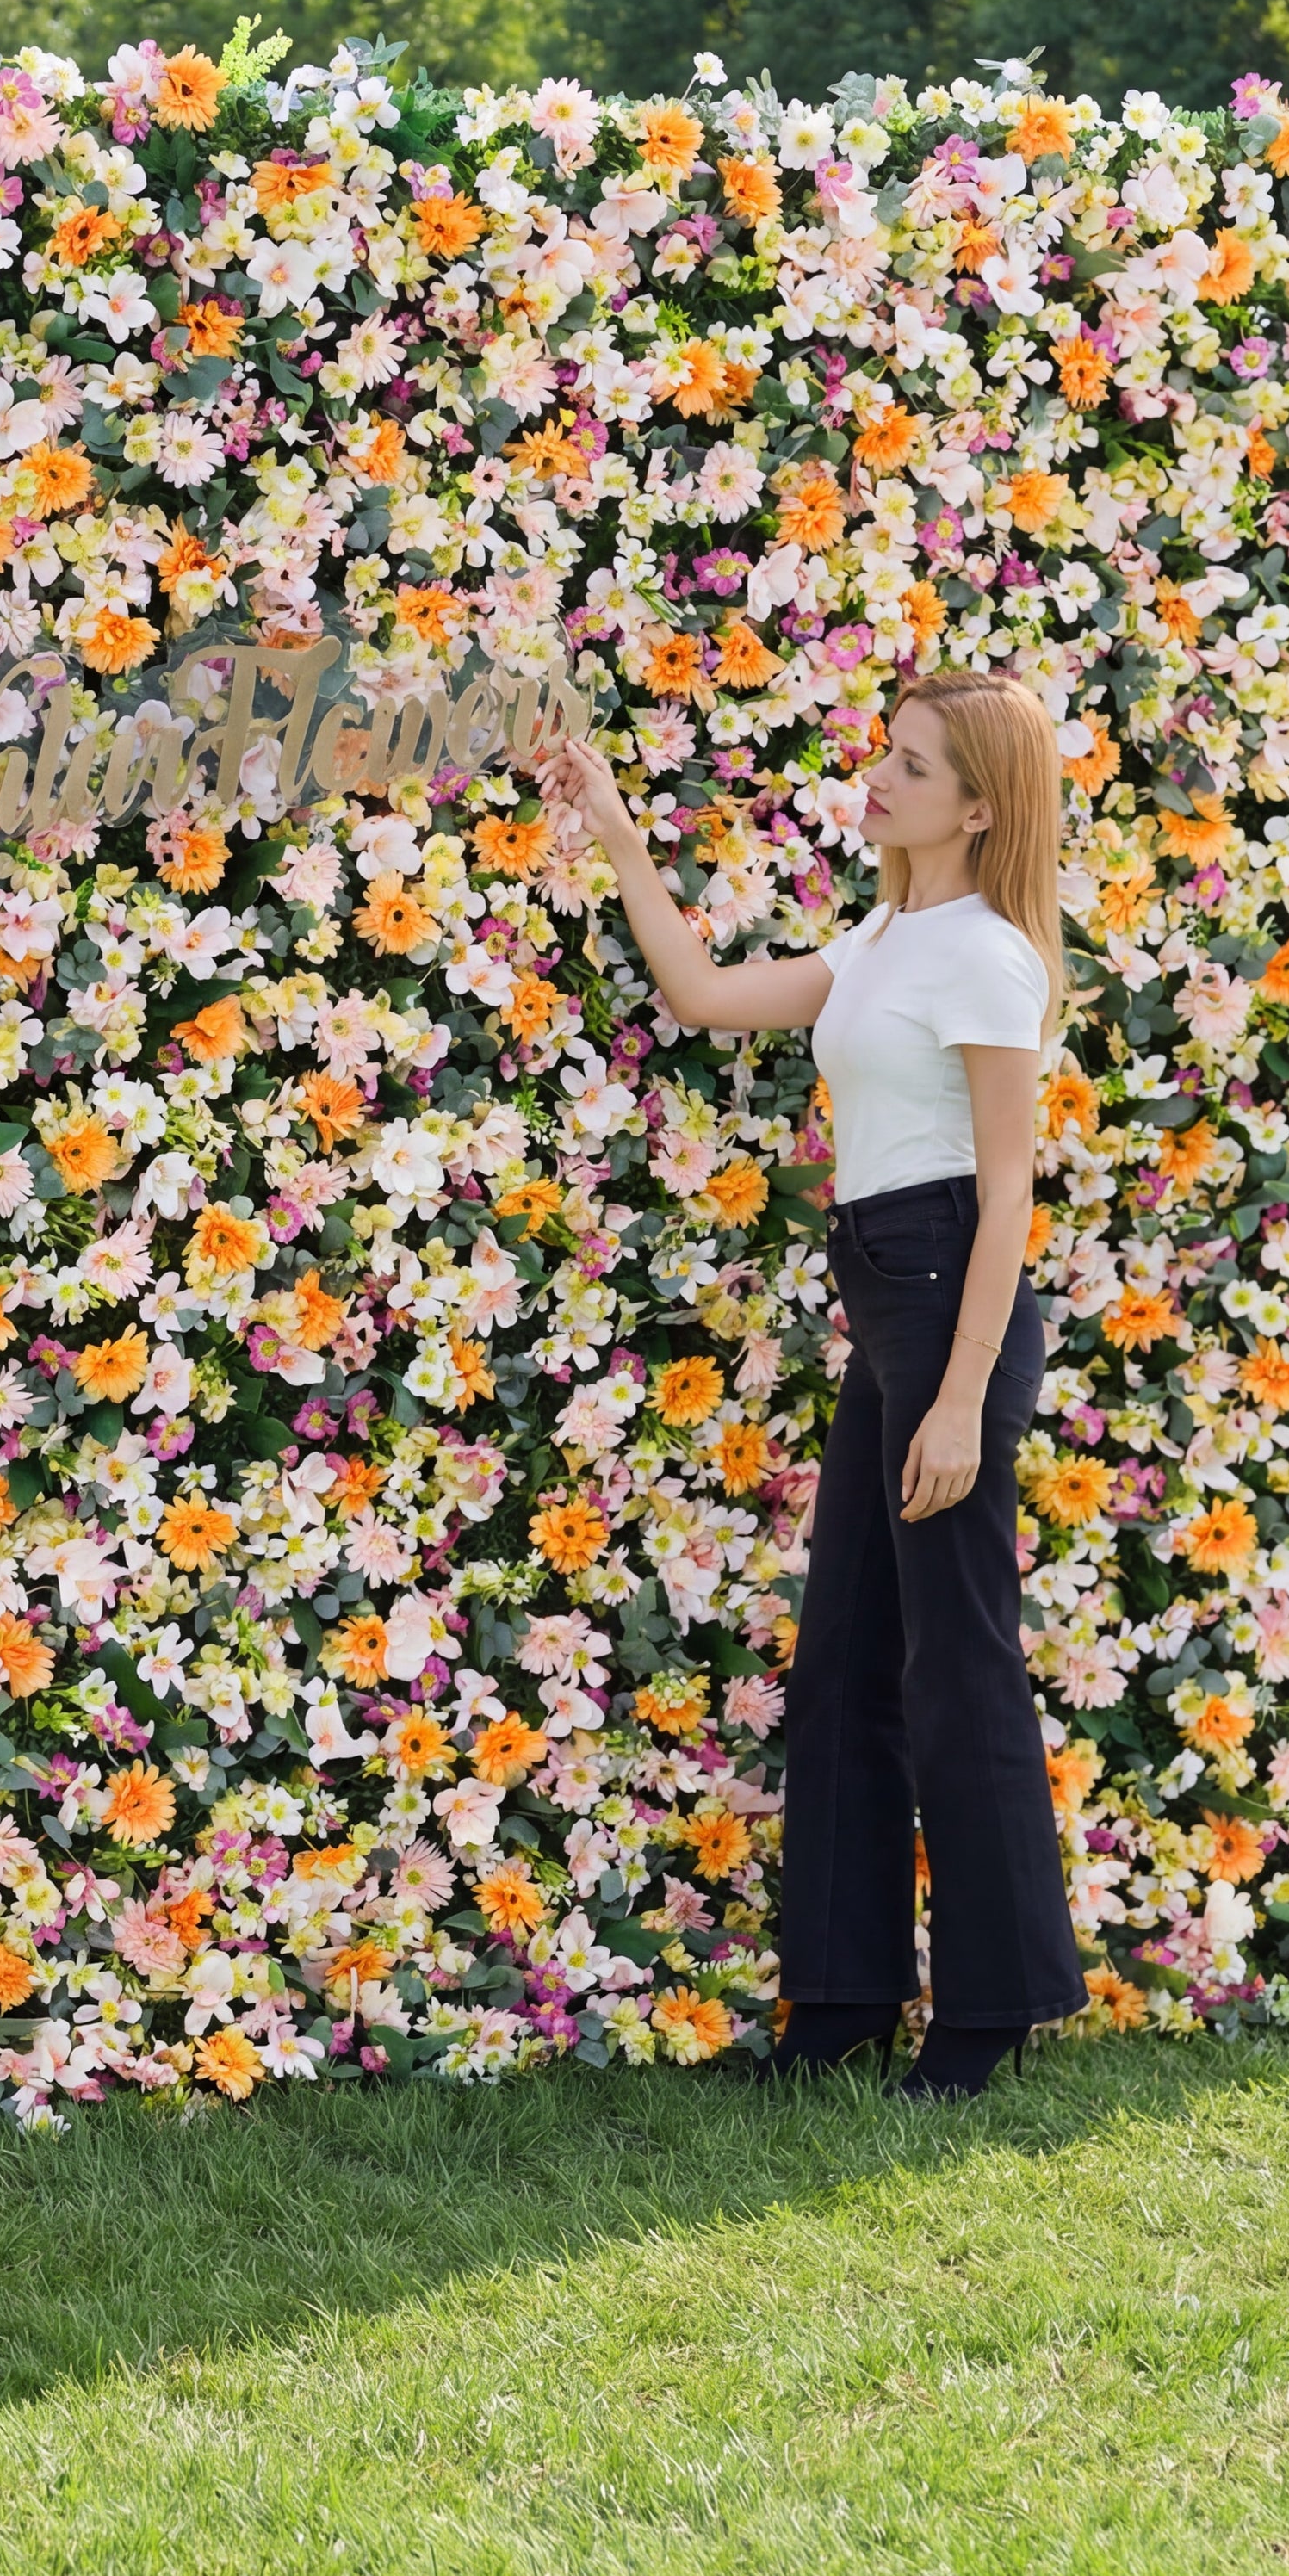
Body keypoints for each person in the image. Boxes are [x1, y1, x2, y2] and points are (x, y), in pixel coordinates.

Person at [546, 672, 1087, 2100]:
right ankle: (840, 2005)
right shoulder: (893, 933)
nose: (883, 777)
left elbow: (1007, 1189)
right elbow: (708, 995)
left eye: (914, 766)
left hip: (946, 1303)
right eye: (887, 753)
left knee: (956, 1666)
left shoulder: (983, 954)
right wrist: (610, 826)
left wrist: (965, 1393)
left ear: (979, 806)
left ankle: (988, 2016)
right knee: (848, 1651)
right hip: (889, 1302)